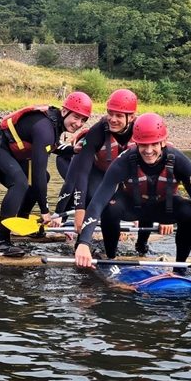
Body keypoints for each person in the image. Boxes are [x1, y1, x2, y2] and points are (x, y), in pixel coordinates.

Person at [73, 112, 191, 274]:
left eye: (154, 144)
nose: (148, 150)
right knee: (110, 206)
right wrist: (84, 243)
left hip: (165, 208)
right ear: (136, 143)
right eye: (143, 145)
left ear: (163, 142)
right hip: (132, 207)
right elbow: (97, 203)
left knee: (190, 211)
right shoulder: (123, 162)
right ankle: (111, 258)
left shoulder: (180, 161)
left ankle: (180, 267)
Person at [0, 92, 93, 257]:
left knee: (43, 178)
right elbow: (37, 172)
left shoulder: (54, 124)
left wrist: (73, 149)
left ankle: (22, 220)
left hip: (12, 153)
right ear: (64, 111)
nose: (78, 123)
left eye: (83, 120)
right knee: (20, 183)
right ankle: (2, 242)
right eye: (76, 117)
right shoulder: (44, 128)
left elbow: (53, 147)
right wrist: (45, 211)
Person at [55, 88, 149, 259]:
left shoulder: (141, 130)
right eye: (110, 114)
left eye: (119, 116)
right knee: (92, 195)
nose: (112, 119)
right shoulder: (98, 131)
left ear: (131, 117)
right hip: (88, 168)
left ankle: (141, 245)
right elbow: (81, 175)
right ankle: (79, 240)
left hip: (117, 173)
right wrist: (79, 211)